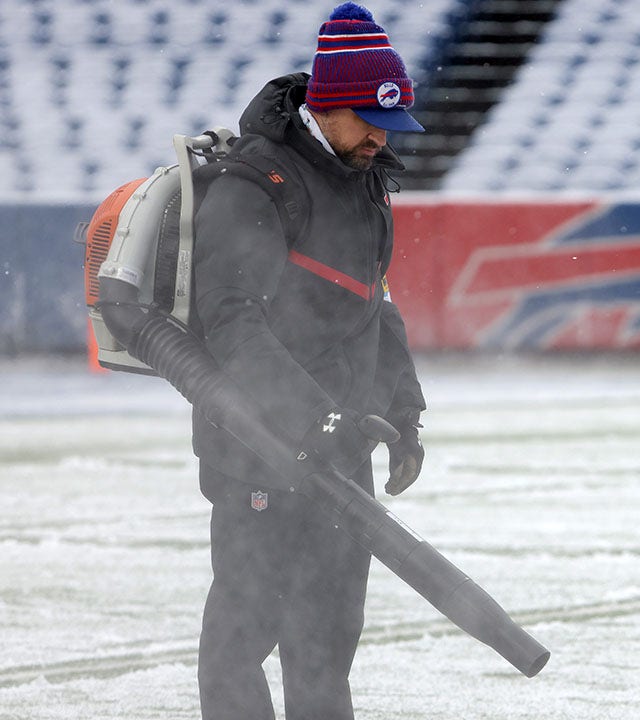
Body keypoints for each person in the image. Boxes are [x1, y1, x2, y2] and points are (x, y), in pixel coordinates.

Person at [188, 3, 427, 718]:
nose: (380, 138)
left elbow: (373, 308)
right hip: (256, 452)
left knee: (325, 651)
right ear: (324, 105)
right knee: (241, 643)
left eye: (389, 124)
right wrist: (314, 420)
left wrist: (405, 412)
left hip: (342, 454)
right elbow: (231, 323)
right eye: (367, 120)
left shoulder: (366, 179)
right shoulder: (256, 182)